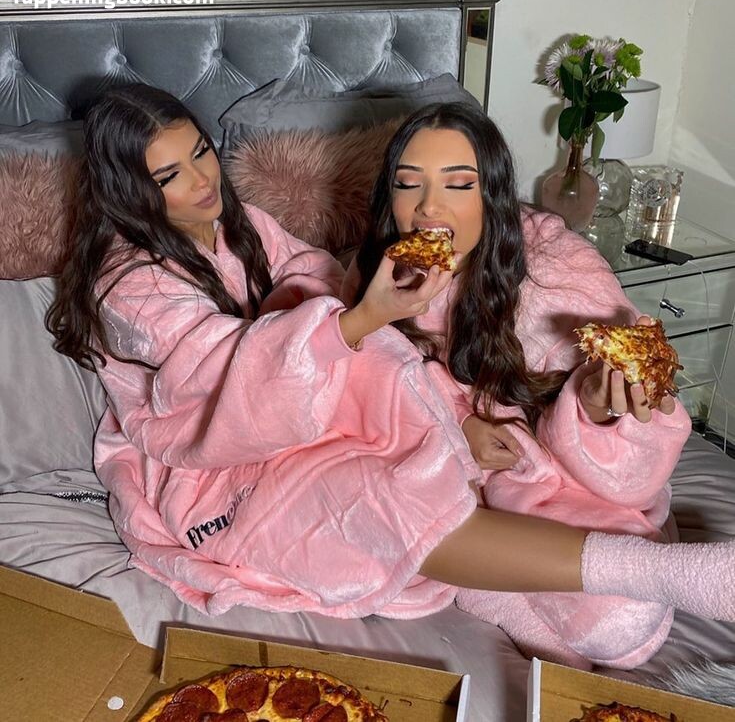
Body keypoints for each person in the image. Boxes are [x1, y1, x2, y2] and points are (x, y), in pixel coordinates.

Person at [48, 85, 733, 648]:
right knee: (371, 490)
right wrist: (358, 322)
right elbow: (223, 382)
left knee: (416, 458)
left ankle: (510, 584)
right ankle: (660, 571)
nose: (202, 180)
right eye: (169, 175)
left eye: (201, 151)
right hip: (209, 461)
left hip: (315, 411)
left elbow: (324, 290)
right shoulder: (129, 286)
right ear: (129, 190)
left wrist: (402, 363)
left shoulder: (245, 223)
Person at [345, 101, 735, 668]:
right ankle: (514, 614)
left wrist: (595, 407)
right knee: (371, 514)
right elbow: (360, 386)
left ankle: (600, 578)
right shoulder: (374, 272)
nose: (428, 206)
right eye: (409, 184)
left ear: (493, 193)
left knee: (620, 622)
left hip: (562, 477)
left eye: (458, 184)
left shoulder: (557, 271)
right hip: (445, 486)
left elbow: (633, 469)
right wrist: (460, 428)